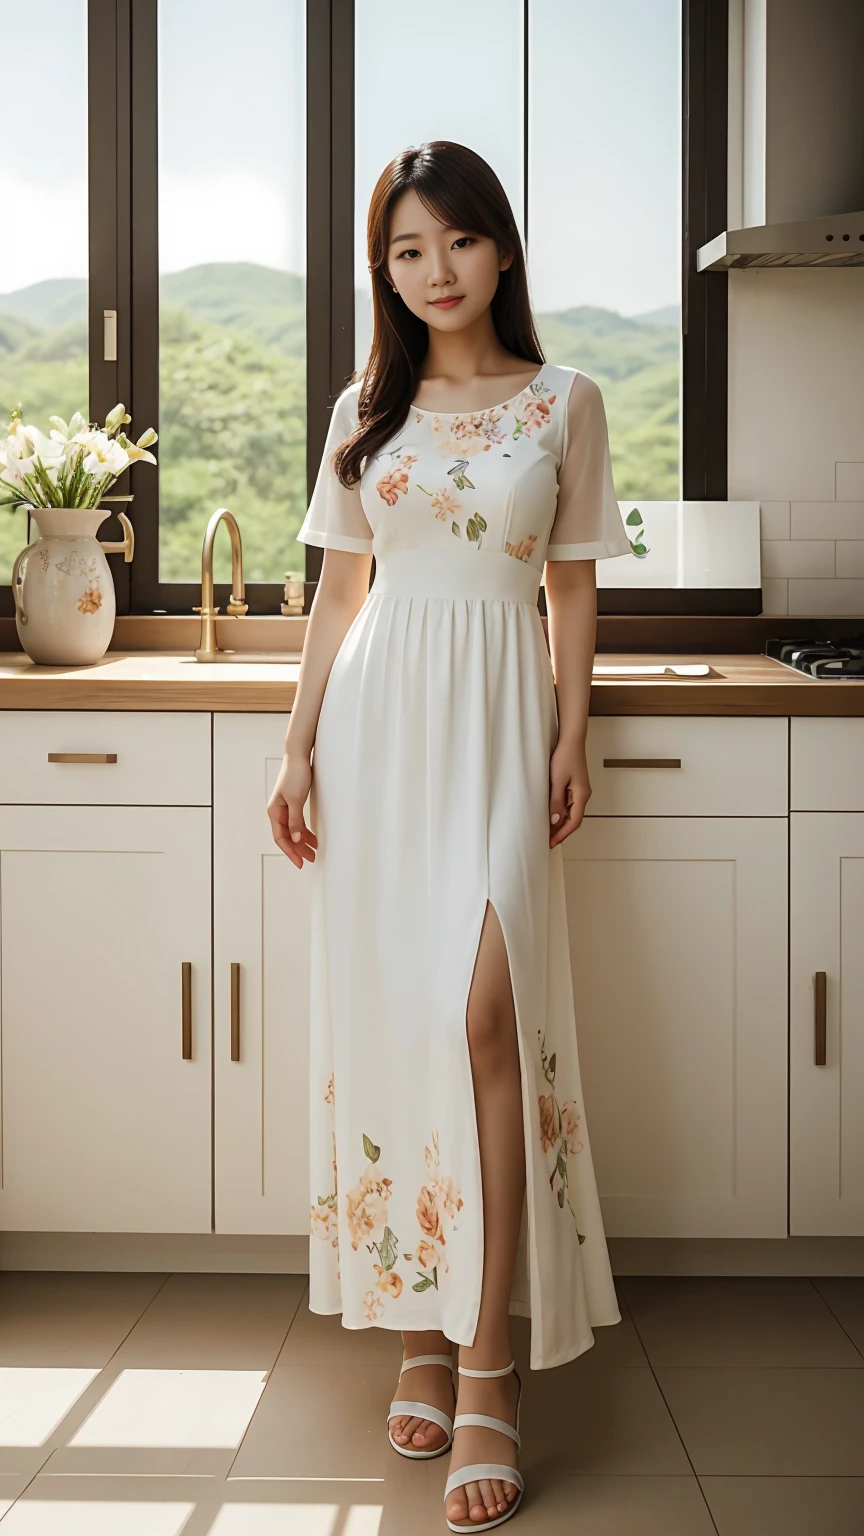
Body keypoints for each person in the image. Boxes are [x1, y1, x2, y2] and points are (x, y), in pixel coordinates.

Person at [267, 140, 629, 1533]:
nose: (433, 273)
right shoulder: (367, 408)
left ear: (502, 250)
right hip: (374, 730)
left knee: (487, 1015)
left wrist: (569, 729)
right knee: (404, 1025)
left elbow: (576, 584)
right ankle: (422, 1323)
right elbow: (335, 595)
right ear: (388, 271)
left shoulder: (565, 403)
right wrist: (298, 746)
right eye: (405, 253)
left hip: (491, 719)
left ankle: (490, 1362)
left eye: (456, 245)